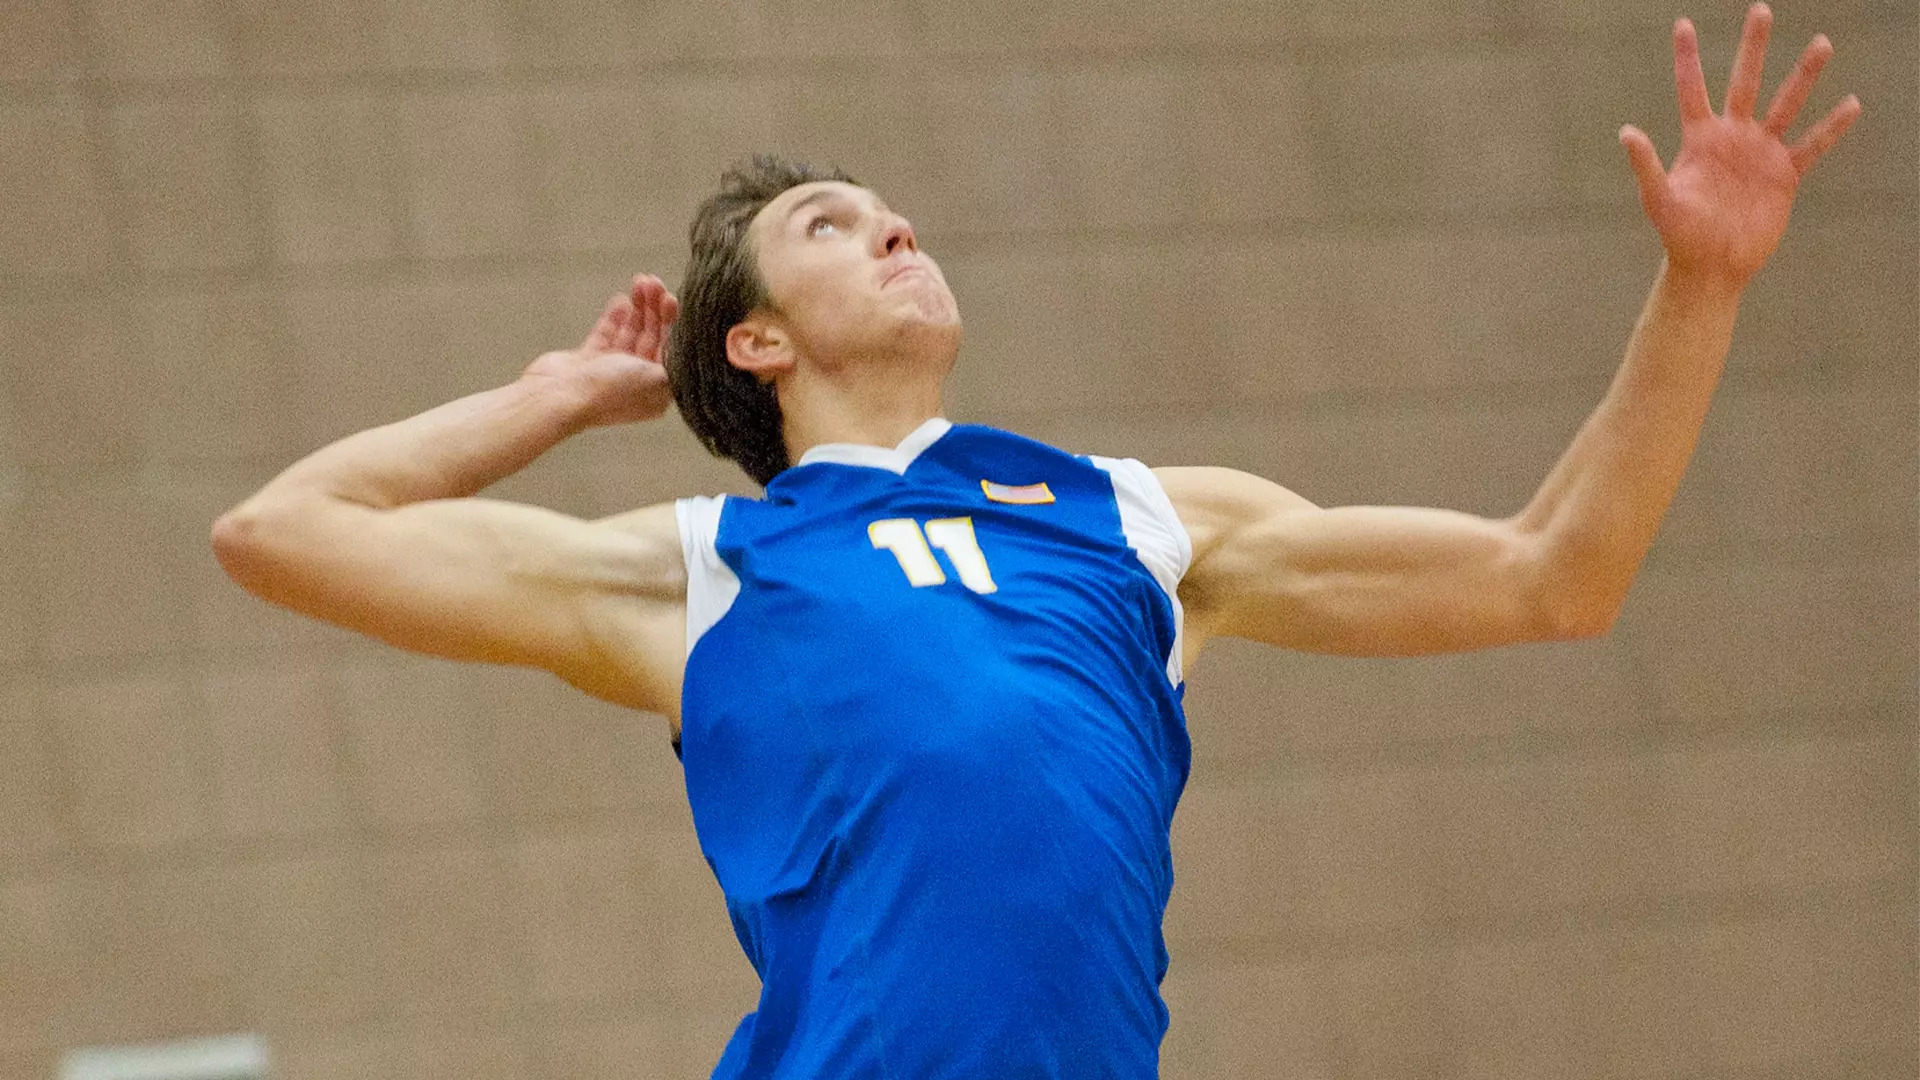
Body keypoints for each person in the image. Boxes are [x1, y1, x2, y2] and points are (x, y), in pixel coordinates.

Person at [212, 7, 1858, 1077]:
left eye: (890, 205)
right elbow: (284, 532)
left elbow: (1554, 571)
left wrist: (1702, 285)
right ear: (758, 345)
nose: (894, 224)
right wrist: (556, 396)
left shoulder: (1142, 522)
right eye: (828, 227)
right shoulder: (702, 569)